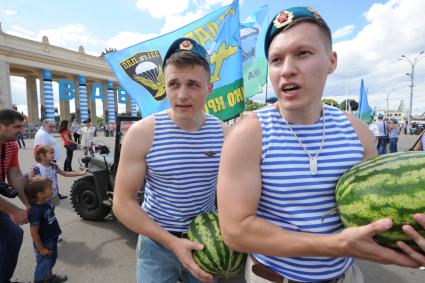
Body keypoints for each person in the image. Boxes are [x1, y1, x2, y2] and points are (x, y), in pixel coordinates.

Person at [217, 7, 422, 283]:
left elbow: (383, 213)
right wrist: (337, 245)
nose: (287, 69)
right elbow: (235, 231)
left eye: (303, 53)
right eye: (276, 59)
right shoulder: (249, 135)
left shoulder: (356, 131)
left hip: (346, 277)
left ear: (331, 60)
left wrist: (409, 240)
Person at [113, 37, 227, 283]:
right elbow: (122, 202)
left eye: (193, 84)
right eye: (174, 84)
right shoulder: (143, 133)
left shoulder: (225, 135)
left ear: (209, 88)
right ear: (165, 86)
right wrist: (172, 243)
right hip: (156, 243)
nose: (182, 95)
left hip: (205, 243)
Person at [0, 109, 31, 283]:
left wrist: (27, 204)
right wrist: (14, 211)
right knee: (12, 235)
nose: (21, 131)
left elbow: (15, 175)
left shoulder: (11, 144)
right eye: (17, 127)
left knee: (11, 237)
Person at [26, 176, 67, 283]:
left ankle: (48, 278)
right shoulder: (35, 211)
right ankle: (39, 280)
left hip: (51, 238)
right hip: (44, 243)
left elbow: (55, 201)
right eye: (49, 188)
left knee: (50, 260)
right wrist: (41, 249)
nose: (52, 189)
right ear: (40, 194)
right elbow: (34, 232)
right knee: (44, 264)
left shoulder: (46, 202)